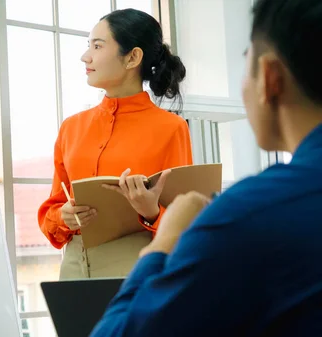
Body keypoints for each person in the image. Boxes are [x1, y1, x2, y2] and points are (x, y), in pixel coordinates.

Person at [90, 0, 322, 335]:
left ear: (269, 77)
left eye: (245, 64)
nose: (88, 57)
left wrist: (164, 240)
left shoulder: (246, 214)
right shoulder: (73, 128)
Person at [37, 9, 192, 280]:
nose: (86, 56)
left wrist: (151, 211)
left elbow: (186, 223)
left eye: (98, 46)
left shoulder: (171, 128)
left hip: (137, 265)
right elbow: (53, 208)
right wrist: (64, 216)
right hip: (73, 266)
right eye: (89, 46)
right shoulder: (71, 128)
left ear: (133, 57)